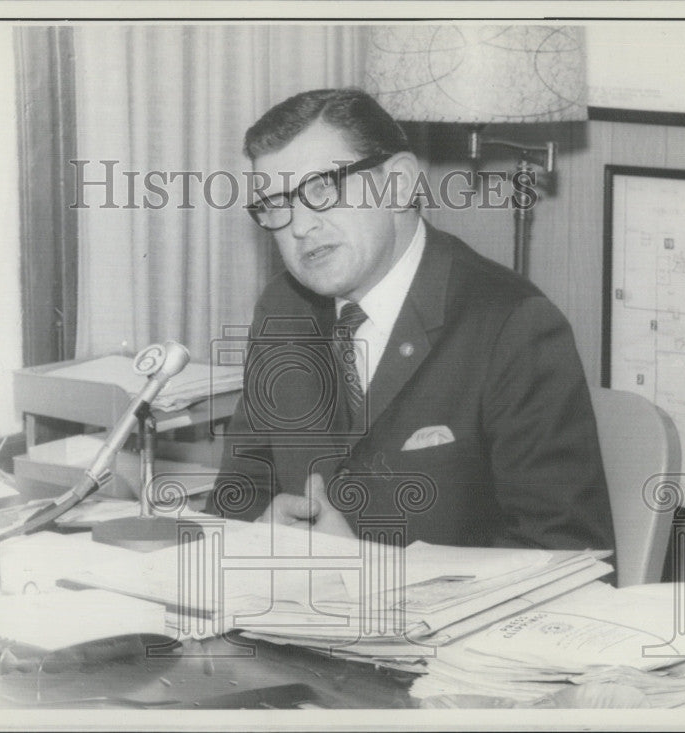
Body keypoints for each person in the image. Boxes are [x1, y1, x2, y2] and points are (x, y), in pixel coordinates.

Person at [209, 87, 614, 552]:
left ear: (398, 183)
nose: (300, 227)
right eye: (277, 205)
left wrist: (376, 575)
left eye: (322, 189)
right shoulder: (285, 309)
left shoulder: (512, 325)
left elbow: (568, 557)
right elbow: (236, 495)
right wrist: (259, 531)